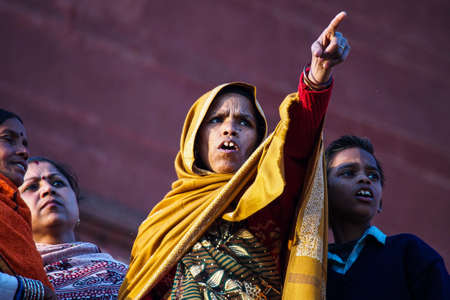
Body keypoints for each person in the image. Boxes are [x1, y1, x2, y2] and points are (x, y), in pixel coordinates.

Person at [120, 11, 350, 300]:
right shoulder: (161, 222)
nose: (230, 129)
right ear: (195, 138)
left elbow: (296, 140)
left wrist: (318, 75)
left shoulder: (268, 193)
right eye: (216, 120)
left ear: (257, 141)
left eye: (244, 122)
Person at [325, 135, 450, 300]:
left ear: (380, 203)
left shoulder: (409, 252)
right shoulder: (311, 271)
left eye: (373, 176)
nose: (364, 179)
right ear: (323, 193)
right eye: (348, 173)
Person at [18, 156, 129, 299]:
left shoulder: (125, 275)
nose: (48, 189)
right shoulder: (12, 279)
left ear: (76, 203)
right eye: (32, 186)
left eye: (58, 183)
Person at [0, 109, 56, 300]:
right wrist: (31, 292)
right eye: (8, 139)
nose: (24, 152)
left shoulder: (17, 214)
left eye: (24, 144)